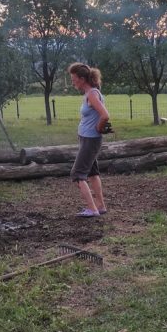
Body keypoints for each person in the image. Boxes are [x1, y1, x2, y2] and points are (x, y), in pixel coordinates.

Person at [69, 62, 110, 218]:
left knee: (77, 174)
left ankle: (92, 209)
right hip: (87, 139)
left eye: (74, 79)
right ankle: (100, 206)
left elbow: (105, 115)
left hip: (90, 140)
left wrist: (99, 128)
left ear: (82, 78)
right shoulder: (90, 93)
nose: (72, 82)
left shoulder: (92, 94)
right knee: (92, 173)